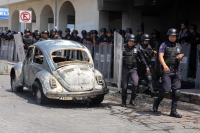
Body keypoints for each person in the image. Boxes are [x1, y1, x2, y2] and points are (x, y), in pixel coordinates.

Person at [153, 28, 185, 118]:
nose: (172, 37)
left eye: (174, 36)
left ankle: (173, 111)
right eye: (171, 36)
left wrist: (180, 57)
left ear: (176, 37)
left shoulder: (179, 46)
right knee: (166, 90)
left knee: (177, 92)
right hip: (167, 70)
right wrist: (164, 65)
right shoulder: (164, 45)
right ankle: (157, 102)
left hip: (176, 70)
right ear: (168, 36)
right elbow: (160, 56)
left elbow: (181, 56)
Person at [121, 34, 150, 107]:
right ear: (127, 41)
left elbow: (142, 58)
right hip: (125, 69)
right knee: (124, 86)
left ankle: (132, 100)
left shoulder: (137, 49)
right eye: (130, 41)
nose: (131, 42)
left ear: (134, 42)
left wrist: (146, 66)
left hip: (133, 69)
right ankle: (123, 101)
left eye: (132, 41)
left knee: (135, 84)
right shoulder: (123, 48)